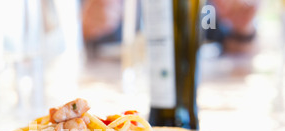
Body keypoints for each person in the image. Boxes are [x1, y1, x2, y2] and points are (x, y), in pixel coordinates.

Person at [81, 0, 261, 55]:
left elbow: (241, 49)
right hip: (118, 88)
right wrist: (84, 28)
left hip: (198, 93)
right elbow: (77, 39)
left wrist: (243, 28)